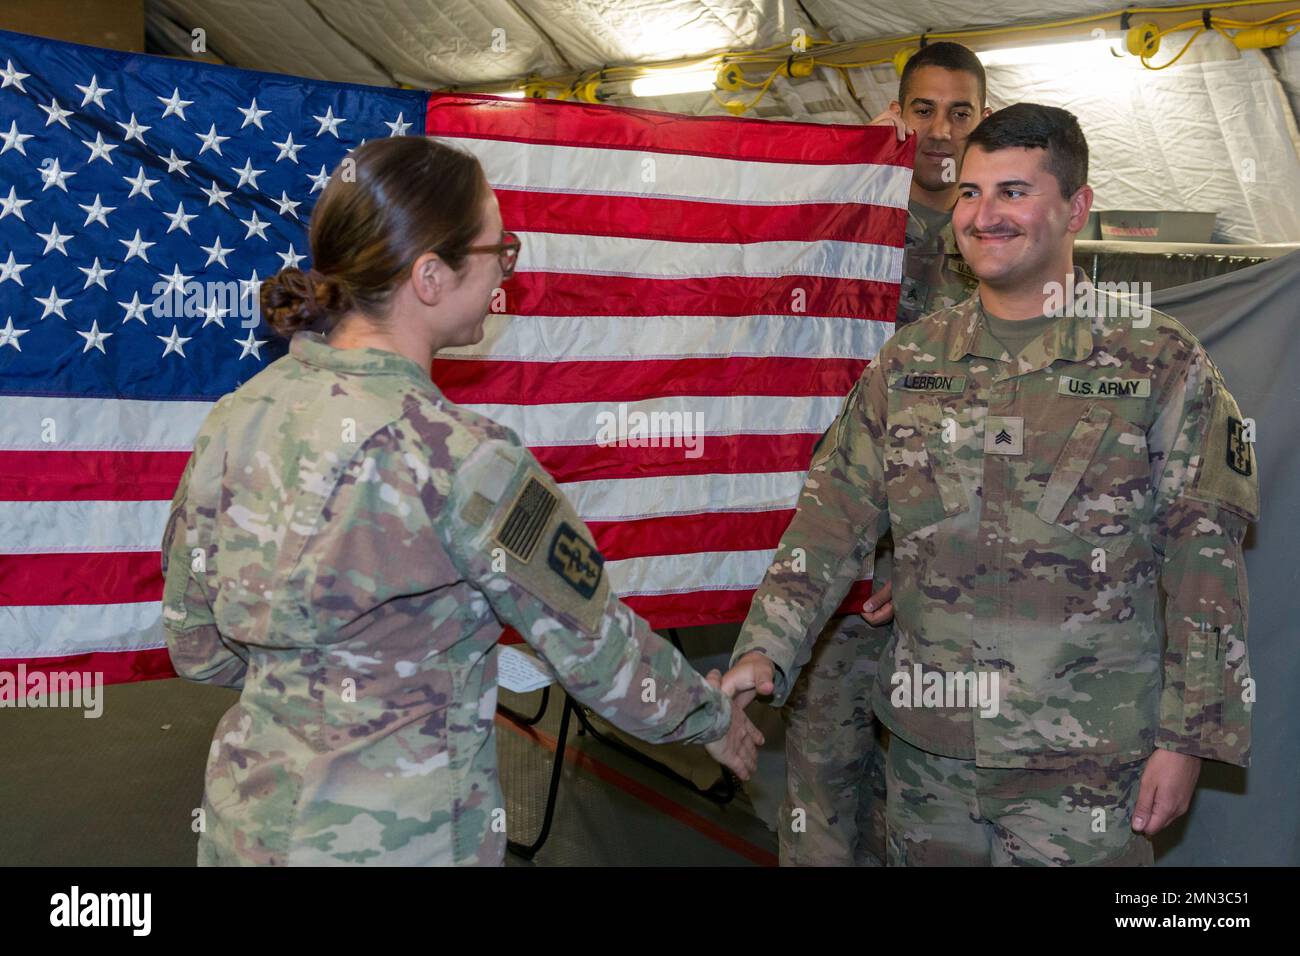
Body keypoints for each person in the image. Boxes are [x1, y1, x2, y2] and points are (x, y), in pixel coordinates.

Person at [160, 136, 764, 866]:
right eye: (497, 251)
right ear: (431, 277)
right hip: (402, 843)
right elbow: (600, 653)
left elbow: (196, 647)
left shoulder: (234, 417)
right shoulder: (460, 456)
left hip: (244, 829)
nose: (508, 270)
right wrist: (709, 719)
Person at [725, 103, 1258, 865]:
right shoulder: (909, 364)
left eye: (1014, 191)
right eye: (971, 193)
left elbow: (1206, 565)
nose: (984, 215)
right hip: (928, 756)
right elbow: (829, 521)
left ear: (1077, 208)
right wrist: (764, 650)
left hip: (1083, 765)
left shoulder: (1158, 362)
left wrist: (1190, 736)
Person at [778, 41, 989, 867]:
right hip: (841, 559)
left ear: (982, 119)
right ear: (896, 114)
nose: (940, 130)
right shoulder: (848, 218)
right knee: (824, 784)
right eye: (923, 109)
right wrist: (841, 180)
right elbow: (766, 291)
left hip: (944, 575)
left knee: (929, 804)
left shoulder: (995, 235)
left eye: (960, 112)